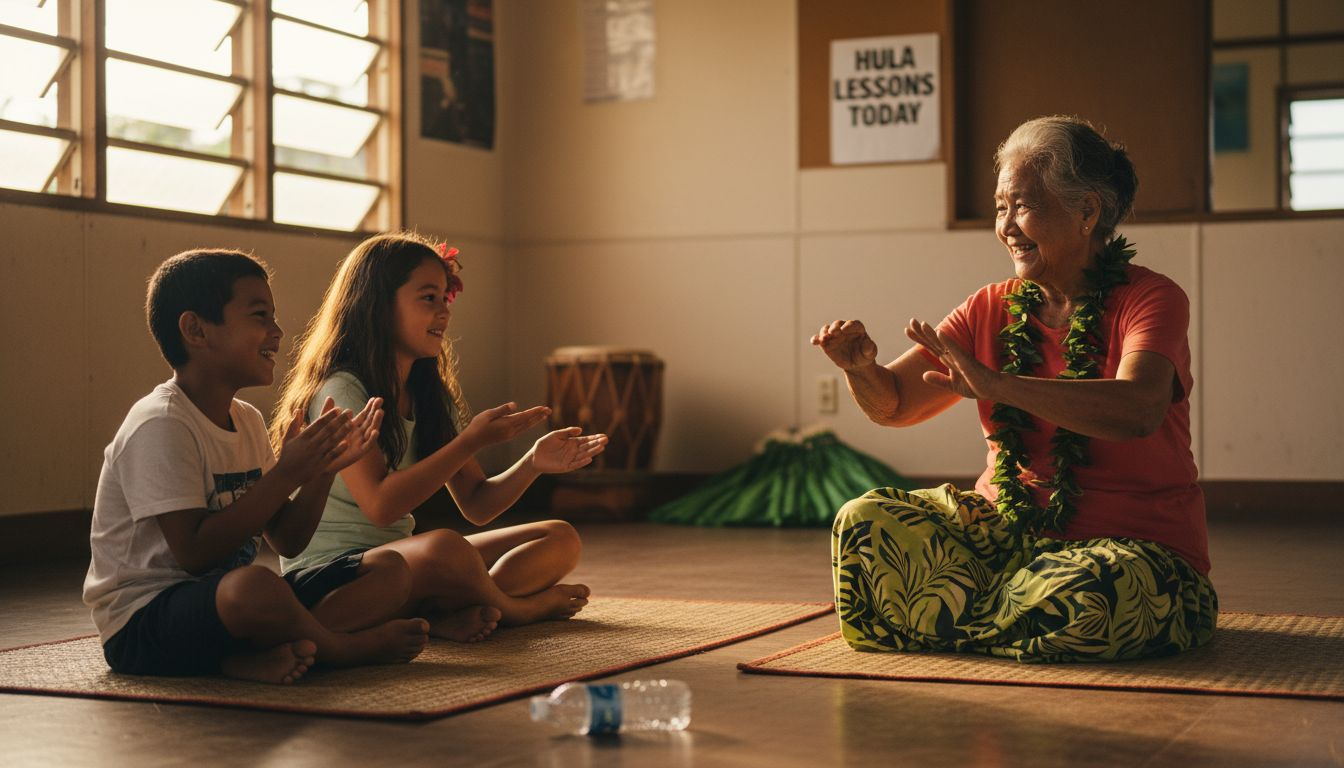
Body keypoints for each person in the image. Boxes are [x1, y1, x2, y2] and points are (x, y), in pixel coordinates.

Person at [813, 116, 1217, 663]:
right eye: (1000, 207)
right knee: (864, 522)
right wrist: (860, 369)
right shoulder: (989, 306)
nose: (1006, 226)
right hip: (1004, 537)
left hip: (1135, 549)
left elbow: (1139, 409)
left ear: (1086, 211)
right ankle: (1012, 615)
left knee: (1095, 591)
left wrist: (1000, 385)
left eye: (1022, 206)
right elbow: (896, 405)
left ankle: (953, 618)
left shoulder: (1151, 298)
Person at [83, 250, 431, 684]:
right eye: (259, 316)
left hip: (228, 605)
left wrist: (322, 470)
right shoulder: (161, 423)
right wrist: (286, 474)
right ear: (195, 330)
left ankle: (255, 655)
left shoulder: (246, 419)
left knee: (390, 569)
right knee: (254, 586)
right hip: (144, 623)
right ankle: (340, 648)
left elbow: (288, 540)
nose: (277, 332)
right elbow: (194, 555)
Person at [272, 232, 606, 644]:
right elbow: (380, 507)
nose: (444, 312)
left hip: (403, 562)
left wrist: (532, 464)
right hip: (338, 575)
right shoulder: (342, 390)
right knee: (445, 549)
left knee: (559, 537)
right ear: (378, 305)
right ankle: (517, 610)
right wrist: (470, 441)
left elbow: (477, 504)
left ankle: (451, 609)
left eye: (445, 298)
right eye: (429, 298)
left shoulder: (428, 393)